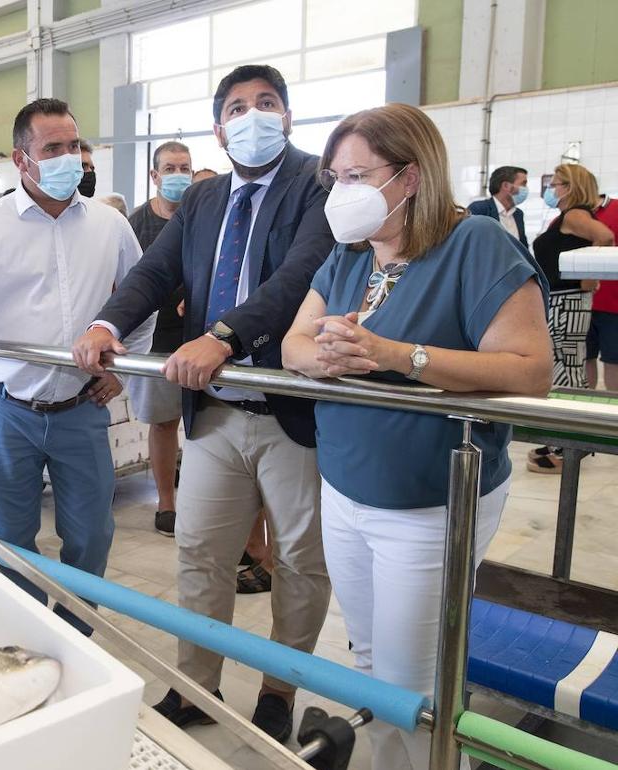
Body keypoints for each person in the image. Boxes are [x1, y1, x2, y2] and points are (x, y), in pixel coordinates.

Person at [282, 103, 553, 770]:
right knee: (369, 661)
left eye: (357, 175)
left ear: (410, 177)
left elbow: (530, 372)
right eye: (334, 178)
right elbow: (293, 342)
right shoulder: (350, 256)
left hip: (430, 501)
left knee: (411, 681)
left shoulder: (476, 245)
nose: (342, 193)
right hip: (346, 487)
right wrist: (327, 358)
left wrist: (400, 356)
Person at [72, 64, 334, 742]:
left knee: (302, 566)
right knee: (199, 553)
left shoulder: (316, 186)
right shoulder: (204, 201)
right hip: (214, 413)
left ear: (288, 115)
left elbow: (300, 276)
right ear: (220, 128)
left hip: (292, 415)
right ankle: (195, 685)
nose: (254, 116)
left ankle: (278, 691)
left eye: (267, 103)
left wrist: (225, 335)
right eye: (239, 107)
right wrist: (107, 323)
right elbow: (156, 271)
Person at [0, 98, 149, 633]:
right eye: (53, 148)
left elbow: (143, 298)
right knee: (11, 534)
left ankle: (76, 633)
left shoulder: (109, 225)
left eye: (74, 146)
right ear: (20, 158)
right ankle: (23, 631)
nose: (68, 158)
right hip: (7, 409)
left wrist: (125, 368)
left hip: (80, 407)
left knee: (91, 533)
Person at [124, 140, 193, 536]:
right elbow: (130, 282)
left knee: (205, 425)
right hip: (157, 340)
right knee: (164, 423)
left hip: (203, 336)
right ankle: (166, 501)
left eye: (185, 167)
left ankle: (200, 499)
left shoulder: (204, 214)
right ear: (154, 176)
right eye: (170, 168)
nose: (179, 176)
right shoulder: (137, 225)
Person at [527, 163, 614, 472]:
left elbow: (605, 237)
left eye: (557, 183)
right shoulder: (567, 217)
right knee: (567, 364)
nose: (552, 188)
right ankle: (563, 441)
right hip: (563, 299)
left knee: (567, 367)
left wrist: (589, 273)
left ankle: (569, 446)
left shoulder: (576, 214)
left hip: (569, 300)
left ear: (571, 186)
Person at [587, 195, 618, 390]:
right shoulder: (573, 214)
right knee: (584, 359)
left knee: (613, 361)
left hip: (613, 304)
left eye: (557, 185)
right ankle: (584, 409)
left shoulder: (614, 209)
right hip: (582, 302)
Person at [467, 165, 529, 248]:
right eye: (523, 184)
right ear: (506, 186)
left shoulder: (518, 214)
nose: (526, 189)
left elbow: (523, 248)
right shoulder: (479, 209)